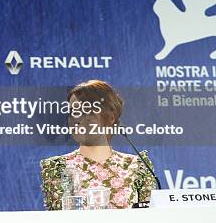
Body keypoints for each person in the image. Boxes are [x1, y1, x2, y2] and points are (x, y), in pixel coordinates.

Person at [40, 80, 157, 210]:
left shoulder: (137, 167)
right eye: (73, 112)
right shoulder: (57, 167)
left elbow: (150, 221)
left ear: (111, 117)